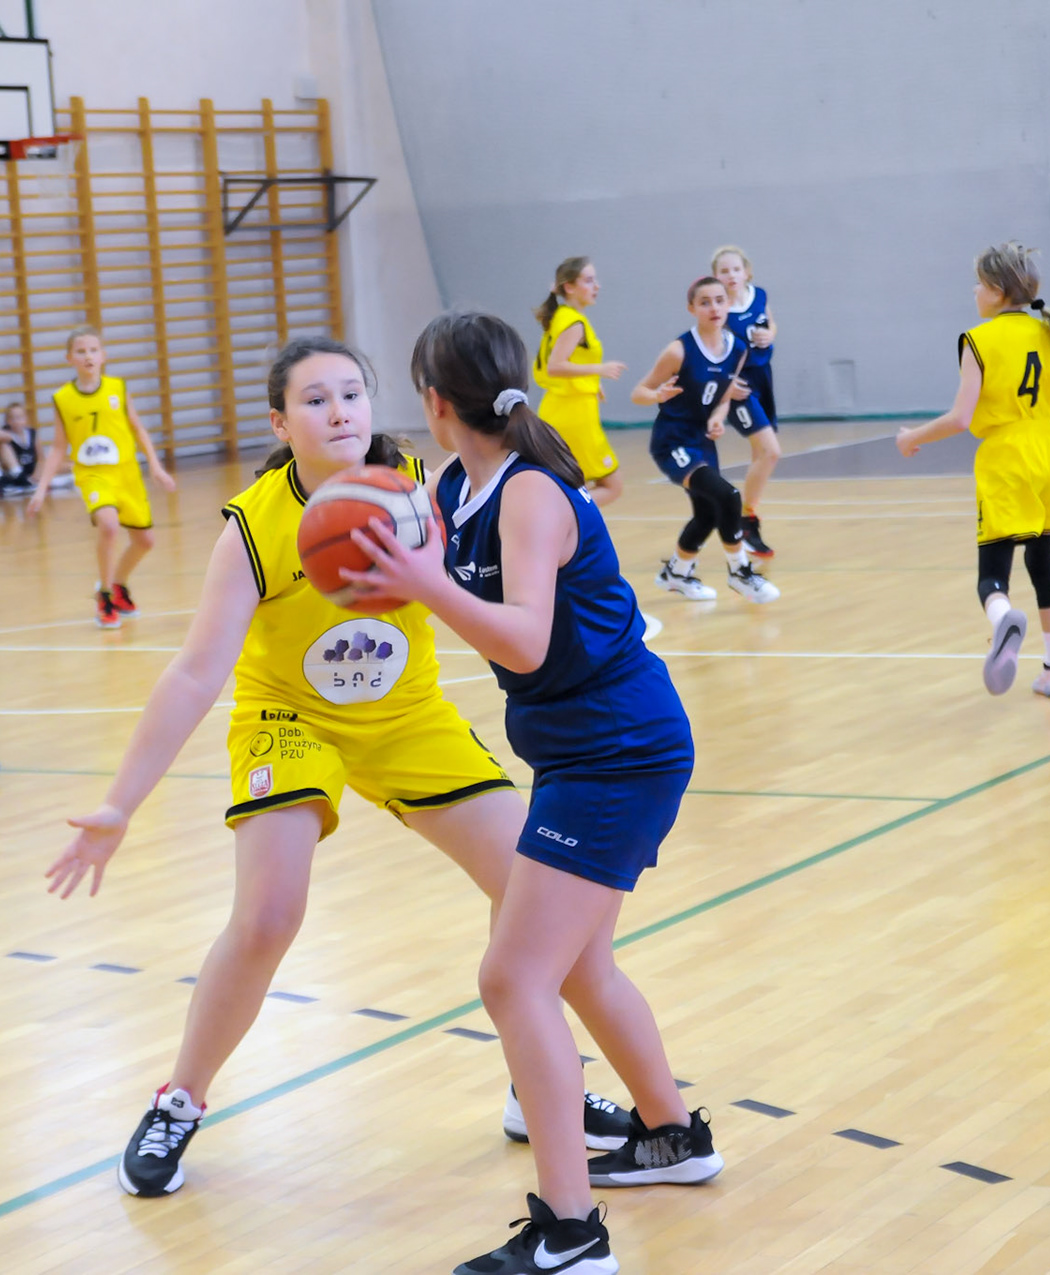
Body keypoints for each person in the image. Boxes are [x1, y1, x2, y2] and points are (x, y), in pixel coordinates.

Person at [41, 335, 631, 1202]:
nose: (340, 410)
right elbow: (197, 672)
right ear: (281, 423)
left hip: (407, 716)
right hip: (290, 720)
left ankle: (535, 1085)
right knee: (268, 915)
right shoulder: (253, 526)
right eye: (315, 399)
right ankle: (179, 1099)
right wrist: (120, 804)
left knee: (528, 890)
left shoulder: (421, 489)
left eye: (352, 392)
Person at [343, 311, 723, 1275]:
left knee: (513, 978)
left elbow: (522, 641)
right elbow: (422, 559)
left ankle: (571, 1231)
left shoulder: (531, 493)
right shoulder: (456, 485)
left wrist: (422, 581)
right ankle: (674, 1138)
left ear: (436, 400)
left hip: (619, 750)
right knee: (581, 965)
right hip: (578, 750)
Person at [896, 242, 1050, 698]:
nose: (974, 291)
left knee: (992, 574)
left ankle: (1002, 619)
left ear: (996, 291)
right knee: (1042, 561)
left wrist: (913, 437)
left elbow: (960, 418)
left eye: (978, 284)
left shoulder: (979, 340)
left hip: (1009, 457)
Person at [630, 277, 780, 604]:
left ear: (729, 304)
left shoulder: (737, 348)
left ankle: (676, 573)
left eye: (719, 300)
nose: (714, 308)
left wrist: (718, 415)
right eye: (705, 302)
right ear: (692, 308)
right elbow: (638, 392)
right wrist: (657, 395)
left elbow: (723, 394)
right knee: (728, 497)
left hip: (702, 440)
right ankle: (740, 572)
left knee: (708, 514)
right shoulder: (679, 350)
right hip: (673, 440)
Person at [27, 327, 175, 628]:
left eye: (93, 350)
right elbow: (58, 447)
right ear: (69, 358)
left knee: (145, 541)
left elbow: (137, 428)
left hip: (126, 472)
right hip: (93, 474)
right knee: (108, 525)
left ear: (103, 356)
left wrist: (156, 466)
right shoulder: (63, 399)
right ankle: (105, 596)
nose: (88, 356)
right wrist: (41, 488)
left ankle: (117, 584)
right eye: (81, 351)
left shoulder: (117, 388)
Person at [532, 257, 625, 506]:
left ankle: (562, 521)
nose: (597, 286)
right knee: (612, 485)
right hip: (572, 415)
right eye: (589, 280)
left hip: (565, 408)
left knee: (576, 485)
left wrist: (593, 381)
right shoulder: (574, 323)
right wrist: (601, 369)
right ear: (569, 287)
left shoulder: (563, 316)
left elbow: (569, 361)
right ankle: (558, 514)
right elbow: (555, 367)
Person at [711, 246, 780, 558]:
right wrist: (724, 384)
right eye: (724, 271)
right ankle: (745, 520)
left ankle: (745, 519)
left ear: (746, 272)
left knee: (760, 454)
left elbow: (771, 323)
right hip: (740, 386)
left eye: (736, 269)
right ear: (716, 277)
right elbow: (710, 350)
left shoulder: (759, 295)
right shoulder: (719, 310)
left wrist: (770, 334)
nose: (731, 275)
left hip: (764, 378)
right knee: (771, 452)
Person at [0, 400, 37, 490]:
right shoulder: (5, 435)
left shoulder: (32, 433)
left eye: (19, 418)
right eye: (12, 418)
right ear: (7, 421)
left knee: (60, 466)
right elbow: (3, 463)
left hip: (32, 472)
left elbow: (41, 459)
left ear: (26, 418)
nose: (16, 421)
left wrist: (36, 476)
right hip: (15, 476)